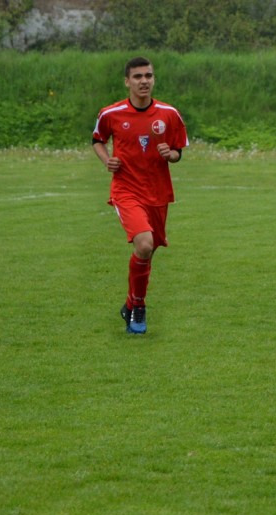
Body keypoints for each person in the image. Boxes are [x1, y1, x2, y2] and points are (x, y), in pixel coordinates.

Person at [92, 57, 189, 334]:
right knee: (144, 244)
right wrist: (107, 160)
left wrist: (170, 155)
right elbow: (97, 140)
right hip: (126, 190)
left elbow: (178, 151)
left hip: (158, 193)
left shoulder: (169, 114)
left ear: (153, 79)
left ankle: (130, 304)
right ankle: (139, 306)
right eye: (137, 76)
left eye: (148, 75)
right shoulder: (111, 113)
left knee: (148, 252)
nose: (144, 81)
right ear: (127, 82)